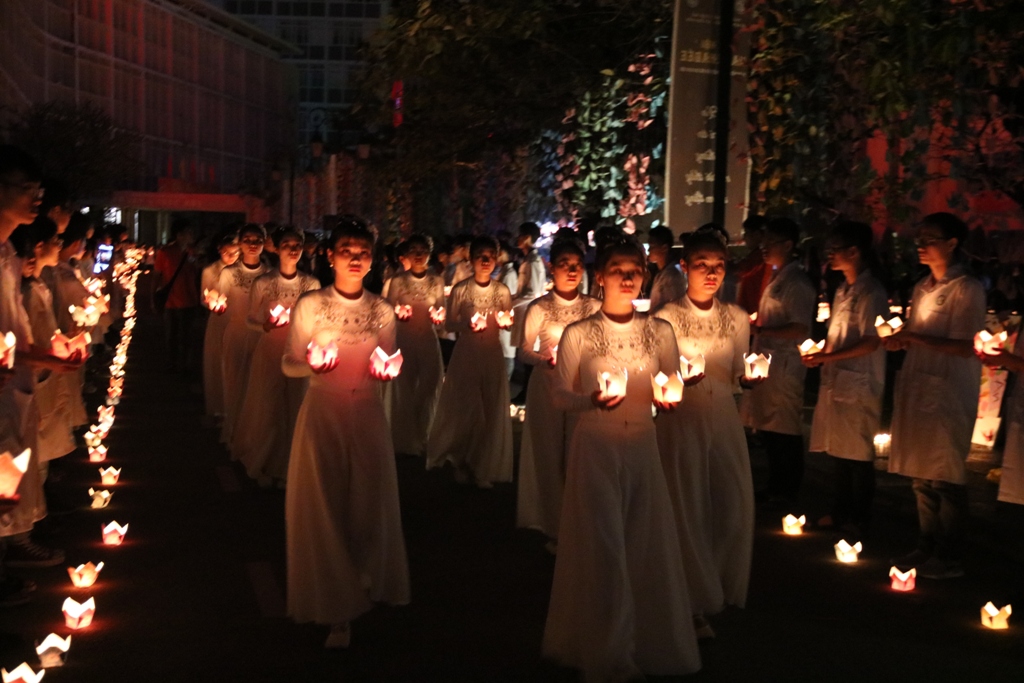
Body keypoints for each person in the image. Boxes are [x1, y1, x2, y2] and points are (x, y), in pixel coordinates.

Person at [543, 235, 701, 681]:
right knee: (605, 547)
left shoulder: (660, 331)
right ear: (601, 276)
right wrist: (590, 402)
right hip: (595, 446)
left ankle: (644, 640)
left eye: (636, 270)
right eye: (618, 269)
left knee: (644, 544)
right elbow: (559, 395)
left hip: (643, 445)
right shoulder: (579, 333)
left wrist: (668, 401)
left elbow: (670, 383)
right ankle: (609, 653)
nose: (628, 277)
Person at [282, 218, 409, 648]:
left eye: (363, 252)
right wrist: (312, 365)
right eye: (347, 250)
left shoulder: (382, 309)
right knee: (326, 503)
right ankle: (335, 604)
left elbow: (387, 358)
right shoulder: (311, 305)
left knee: (368, 501)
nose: (356, 258)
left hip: (368, 412)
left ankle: (363, 574)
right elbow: (289, 362)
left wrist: (385, 372)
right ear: (330, 256)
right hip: (324, 410)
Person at [654, 230, 753, 635]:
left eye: (719, 266)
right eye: (702, 265)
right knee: (686, 505)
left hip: (724, 418)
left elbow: (738, 372)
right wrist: (673, 386)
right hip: (683, 418)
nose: (711, 273)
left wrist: (750, 379)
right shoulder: (666, 317)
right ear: (685, 267)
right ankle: (690, 601)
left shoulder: (738, 318)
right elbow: (656, 373)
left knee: (734, 505)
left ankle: (715, 582)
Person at [884, 213, 985, 579]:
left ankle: (949, 554)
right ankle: (926, 544)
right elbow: (919, 335)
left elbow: (966, 346)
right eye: (920, 238)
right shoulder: (922, 287)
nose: (921, 245)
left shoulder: (966, 288)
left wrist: (914, 337)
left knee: (946, 476)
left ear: (952, 243)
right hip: (920, 386)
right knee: (921, 475)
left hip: (949, 390)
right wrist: (902, 340)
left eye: (930, 239)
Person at [0, 145, 72, 580]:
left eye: (38, 189)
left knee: (10, 482)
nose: (37, 197)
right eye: (27, 187)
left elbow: (12, 327)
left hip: (14, 385)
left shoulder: (9, 255)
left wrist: (44, 356)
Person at [515, 238, 600, 552]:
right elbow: (524, 350)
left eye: (577, 265)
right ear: (552, 268)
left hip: (581, 387)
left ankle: (580, 522)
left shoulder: (594, 307)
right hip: (548, 387)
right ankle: (554, 526)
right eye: (565, 264)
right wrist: (546, 360)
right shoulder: (539, 307)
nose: (572, 271)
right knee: (549, 454)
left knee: (579, 454)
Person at [803, 222, 888, 536]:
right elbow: (836, 336)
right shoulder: (842, 290)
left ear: (854, 252)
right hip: (839, 380)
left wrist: (827, 358)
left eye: (835, 248)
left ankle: (860, 517)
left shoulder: (872, 292)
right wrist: (819, 353)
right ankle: (839, 513)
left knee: (859, 455)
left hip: (860, 383)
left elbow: (870, 341)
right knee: (839, 451)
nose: (830, 254)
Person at [740, 217, 816, 507]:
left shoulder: (797, 283)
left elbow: (799, 327)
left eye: (770, 242)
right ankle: (775, 486)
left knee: (784, 430)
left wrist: (761, 331)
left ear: (788, 245)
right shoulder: (776, 277)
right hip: (768, 362)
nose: (764, 247)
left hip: (784, 365)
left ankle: (787, 489)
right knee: (769, 429)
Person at [427, 235, 514, 487]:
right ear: (472, 259)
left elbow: (508, 322)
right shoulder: (461, 289)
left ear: (496, 259)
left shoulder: (502, 291)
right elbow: (449, 324)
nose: (486, 261)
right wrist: (467, 325)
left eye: (491, 256)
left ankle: (483, 464)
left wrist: (505, 322)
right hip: (467, 353)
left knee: (490, 409)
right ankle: (460, 457)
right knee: (467, 408)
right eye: (480, 256)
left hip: (492, 354)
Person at [234, 229, 320, 486]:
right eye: (287, 245)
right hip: (270, 351)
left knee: (296, 406)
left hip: (298, 353)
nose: (292, 250)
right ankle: (266, 461)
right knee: (269, 406)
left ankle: (291, 467)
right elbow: (250, 318)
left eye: (297, 245)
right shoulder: (264, 283)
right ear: (278, 249)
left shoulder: (312, 284)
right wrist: (264, 326)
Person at [13, 219, 76, 469]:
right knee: (35, 451)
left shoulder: (38, 285)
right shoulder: (27, 292)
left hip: (44, 370)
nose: (59, 246)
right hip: (33, 375)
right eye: (55, 241)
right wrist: (48, 357)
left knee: (43, 446)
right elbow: (25, 341)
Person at [381, 234, 445, 457]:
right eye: (414, 250)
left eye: (423, 250)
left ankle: (424, 432)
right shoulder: (398, 281)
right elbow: (388, 310)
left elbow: (442, 311)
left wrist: (437, 317)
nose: (418, 255)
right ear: (407, 254)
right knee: (404, 387)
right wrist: (398, 314)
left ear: (429, 254)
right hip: (404, 338)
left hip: (427, 338)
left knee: (430, 384)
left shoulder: (436, 281)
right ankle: (405, 436)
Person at [216, 224, 269, 446]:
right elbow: (221, 300)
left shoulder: (269, 274)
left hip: (261, 336)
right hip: (236, 333)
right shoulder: (228, 273)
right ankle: (234, 431)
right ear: (240, 243)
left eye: (258, 240)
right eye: (248, 240)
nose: (253, 244)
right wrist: (217, 306)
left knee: (257, 387)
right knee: (234, 383)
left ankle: (254, 436)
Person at [201, 232, 240, 420]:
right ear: (219, 251)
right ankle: (218, 406)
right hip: (218, 319)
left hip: (237, 319)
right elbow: (204, 297)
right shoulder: (210, 271)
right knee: (217, 361)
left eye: (235, 253)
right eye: (227, 253)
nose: (231, 257)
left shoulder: (241, 271)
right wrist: (213, 302)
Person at [154, 219, 200, 373]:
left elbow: (197, 272)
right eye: (188, 233)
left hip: (190, 299)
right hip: (171, 301)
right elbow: (157, 275)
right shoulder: (165, 252)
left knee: (187, 335)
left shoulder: (193, 252)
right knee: (171, 335)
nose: (191, 235)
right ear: (179, 235)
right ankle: (172, 363)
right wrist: (153, 296)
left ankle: (185, 364)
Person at [735, 215, 771, 315]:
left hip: (753, 309)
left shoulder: (759, 256)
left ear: (757, 234)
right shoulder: (759, 255)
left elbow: (740, 269)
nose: (744, 237)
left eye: (746, 233)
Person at [646, 225, 686, 312]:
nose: (648, 250)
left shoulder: (672, 276)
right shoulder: (662, 273)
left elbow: (674, 308)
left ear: (664, 248)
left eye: (652, 246)